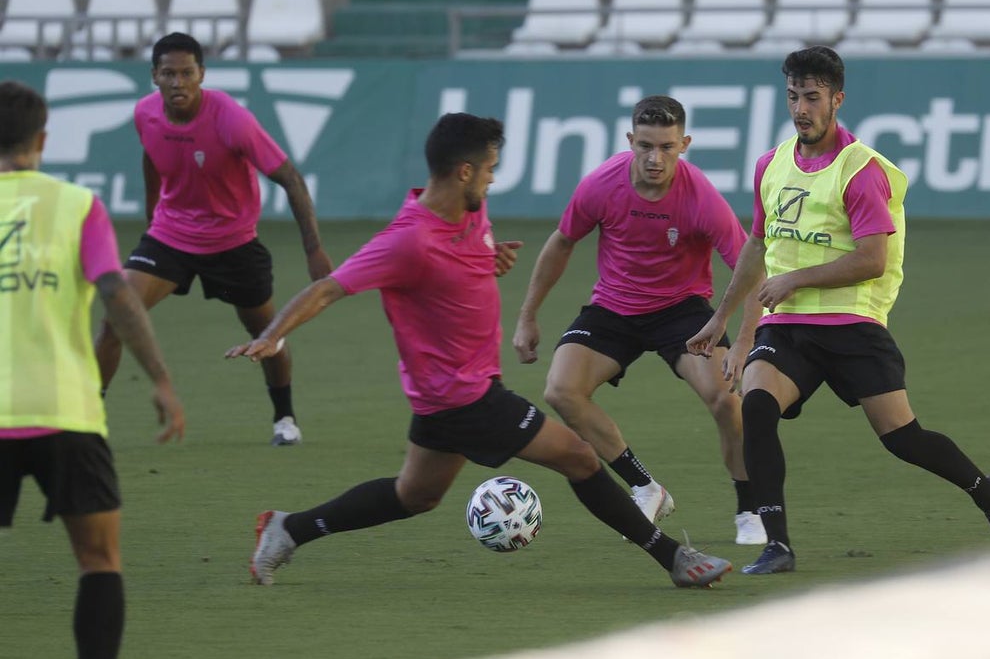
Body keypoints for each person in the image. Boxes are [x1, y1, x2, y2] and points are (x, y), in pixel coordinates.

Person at [225, 112, 732, 588]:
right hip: (463, 396)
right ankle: (673, 558)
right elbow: (328, 289)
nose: (492, 180)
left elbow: (460, 260)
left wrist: (489, 257)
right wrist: (272, 335)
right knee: (579, 457)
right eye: (489, 170)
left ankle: (287, 529)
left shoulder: (468, 210)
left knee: (415, 495)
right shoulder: (407, 240)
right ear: (463, 172)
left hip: (446, 396)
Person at [687, 46, 990, 576]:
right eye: (793, 96)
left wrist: (795, 278)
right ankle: (777, 546)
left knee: (903, 439)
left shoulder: (861, 170)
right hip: (788, 326)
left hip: (853, 325)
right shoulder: (770, 165)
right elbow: (757, 245)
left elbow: (872, 259)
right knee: (755, 408)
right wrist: (722, 319)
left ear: (837, 100)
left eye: (812, 97)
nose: (801, 109)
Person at [0, 81, 185, 659]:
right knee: (99, 561)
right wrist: (160, 378)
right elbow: (117, 295)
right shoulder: (77, 206)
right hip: (66, 414)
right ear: (43, 139)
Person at [512, 95, 767, 545]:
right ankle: (646, 487)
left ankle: (749, 509)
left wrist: (744, 340)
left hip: (682, 310)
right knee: (561, 391)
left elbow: (751, 269)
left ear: (684, 144)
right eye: (645, 146)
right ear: (630, 140)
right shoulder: (601, 185)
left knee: (727, 402)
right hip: (614, 307)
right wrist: (527, 316)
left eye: (667, 147)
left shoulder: (702, 198)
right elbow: (562, 242)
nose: (655, 158)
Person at [94, 32, 332, 446]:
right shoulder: (145, 113)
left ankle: (284, 418)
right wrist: (153, 216)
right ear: (154, 76)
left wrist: (314, 250)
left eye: (187, 73)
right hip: (170, 235)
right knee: (116, 315)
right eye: (169, 73)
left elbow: (291, 179)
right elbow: (151, 156)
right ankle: (87, 419)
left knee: (267, 334)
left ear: (202, 74)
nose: (178, 82)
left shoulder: (232, 120)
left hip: (233, 242)